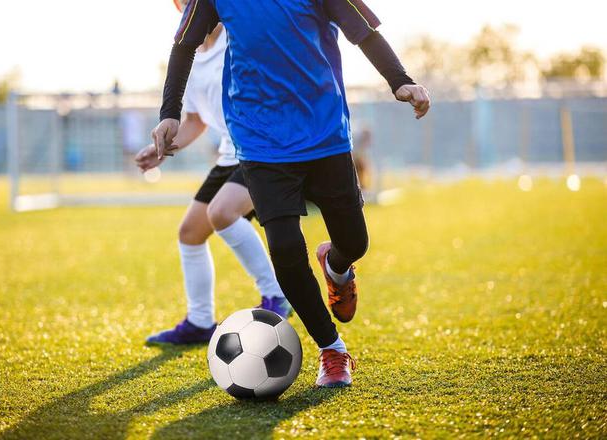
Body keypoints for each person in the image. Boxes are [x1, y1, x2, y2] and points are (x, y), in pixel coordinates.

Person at [150, 0, 431, 387]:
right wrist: (170, 112)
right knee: (283, 247)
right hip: (259, 139)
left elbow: (364, 32)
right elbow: (184, 45)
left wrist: (400, 80)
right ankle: (332, 349)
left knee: (355, 241)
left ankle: (336, 266)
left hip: (324, 133)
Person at [137, 3, 292, 345]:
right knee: (190, 233)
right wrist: (163, 148)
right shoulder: (186, 55)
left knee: (222, 213)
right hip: (229, 155)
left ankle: (277, 294)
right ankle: (200, 321)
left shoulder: (237, 37)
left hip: (264, 149)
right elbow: (195, 120)